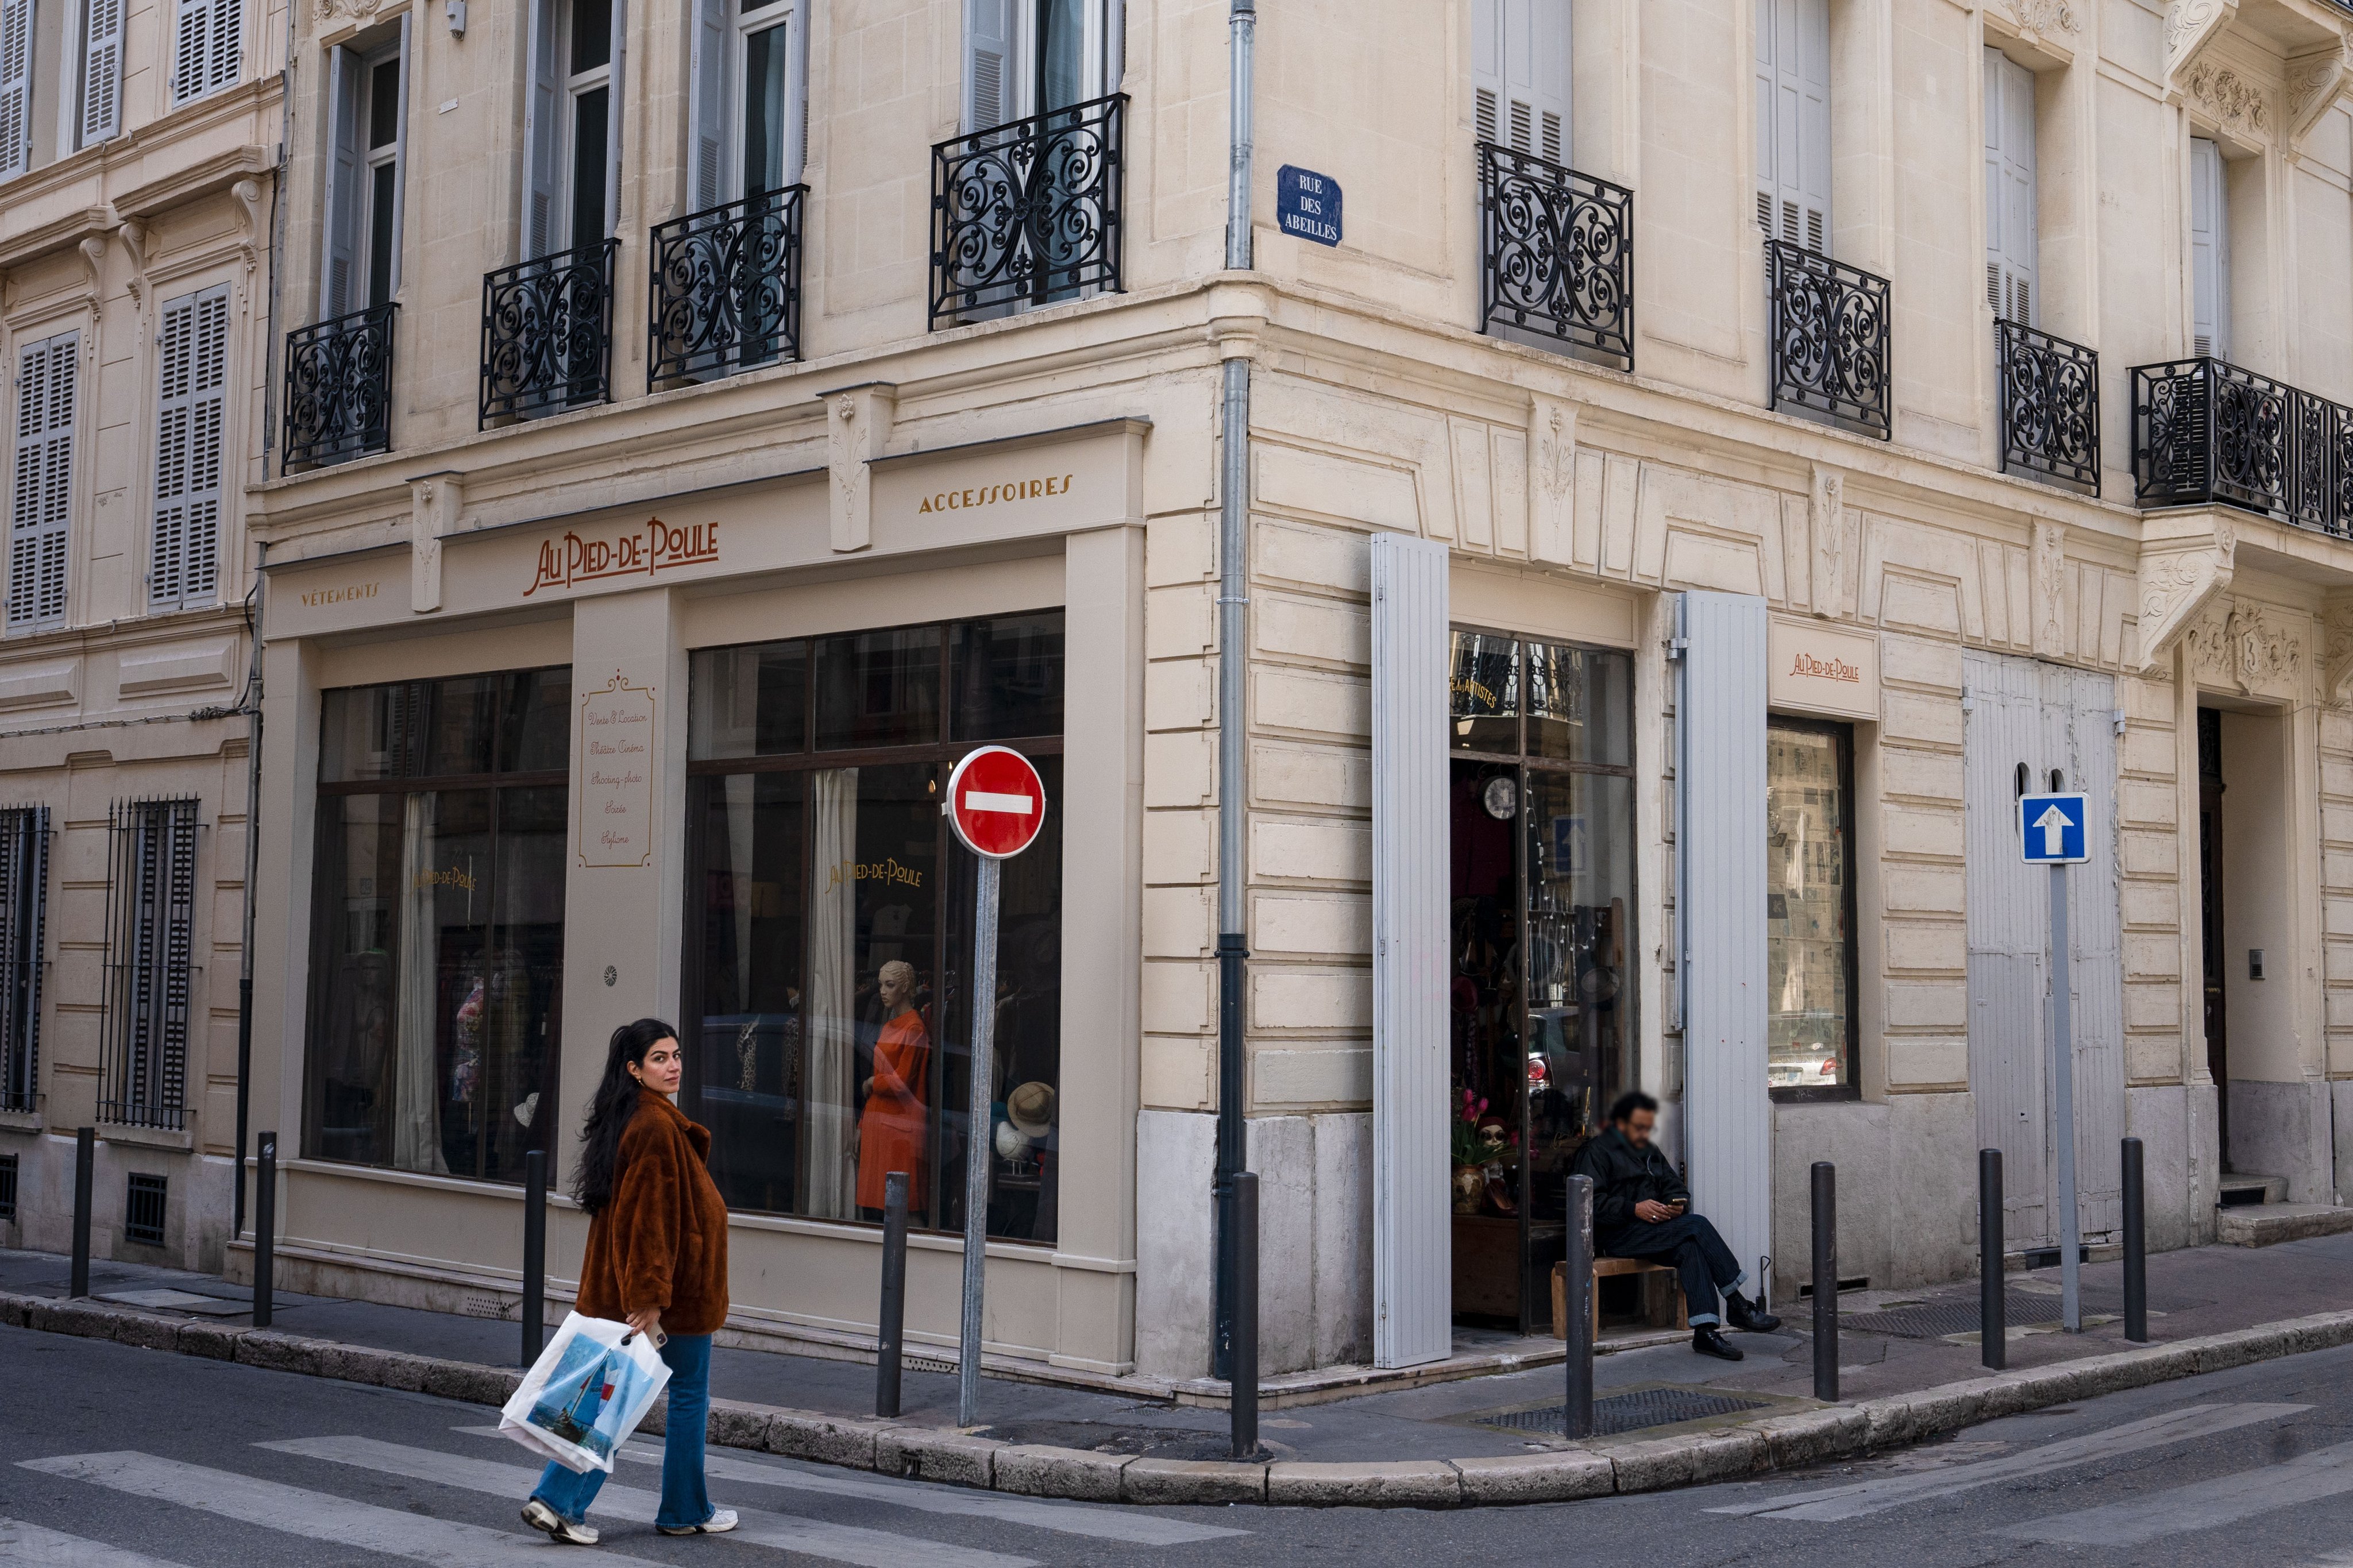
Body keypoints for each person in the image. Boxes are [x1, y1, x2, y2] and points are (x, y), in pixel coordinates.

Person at [521, 1019, 739, 1546]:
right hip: (669, 1302)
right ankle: (679, 1509)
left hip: (633, 1294)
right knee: (674, 1398)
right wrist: (648, 1301)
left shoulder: (635, 1119)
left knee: (606, 1398)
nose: (674, 1066)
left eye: (677, 1055)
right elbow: (649, 1221)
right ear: (635, 1070)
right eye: (660, 1058)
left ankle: (556, 1499)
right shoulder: (655, 1128)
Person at [1569, 1090, 1781, 1361]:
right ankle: (1737, 1304)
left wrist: (1677, 1204)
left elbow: (1675, 1187)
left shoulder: (1649, 1150)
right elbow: (1589, 1205)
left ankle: (1705, 1332)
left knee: (1690, 1247)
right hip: (1617, 1235)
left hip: (1652, 1232)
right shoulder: (1596, 1152)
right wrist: (1634, 1208)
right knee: (1697, 1226)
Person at [855, 960, 931, 1218]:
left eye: (890, 985)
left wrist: (871, 1083)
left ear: (905, 988)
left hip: (899, 1127)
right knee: (876, 1206)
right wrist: (862, 1126)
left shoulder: (915, 1028)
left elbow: (901, 1082)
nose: (883, 991)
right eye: (881, 985)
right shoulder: (890, 1026)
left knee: (900, 1205)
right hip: (880, 1122)